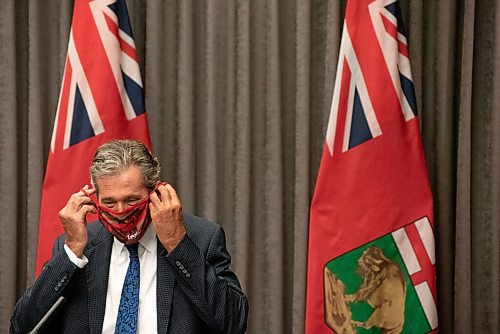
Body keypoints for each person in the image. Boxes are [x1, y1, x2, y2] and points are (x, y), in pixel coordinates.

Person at [11, 140, 248, 333]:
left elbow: (232, 324)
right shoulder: (78, 246)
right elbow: (22, 327)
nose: (121, 212)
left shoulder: (201, 237)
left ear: (155, 191)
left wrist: (178, 245)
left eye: (132, 200)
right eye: (109, 202)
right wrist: (72, 252)